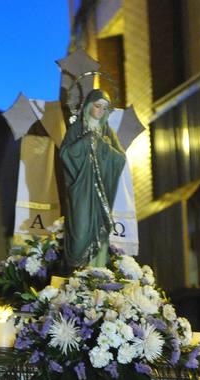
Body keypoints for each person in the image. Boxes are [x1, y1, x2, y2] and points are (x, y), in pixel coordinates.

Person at [59, 88, 126, 268]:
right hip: (81, 190)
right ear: (88, 106)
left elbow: (120, 158)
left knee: (101, 230)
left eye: (105, 108)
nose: (101, 111)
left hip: (101, 193)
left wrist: (102, 146)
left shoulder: (107, 132)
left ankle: (97, 270)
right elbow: (65, 154)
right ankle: (77, 272)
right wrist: (86, 141)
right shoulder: (76, 130)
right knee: (80, 231)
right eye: (97, 106)